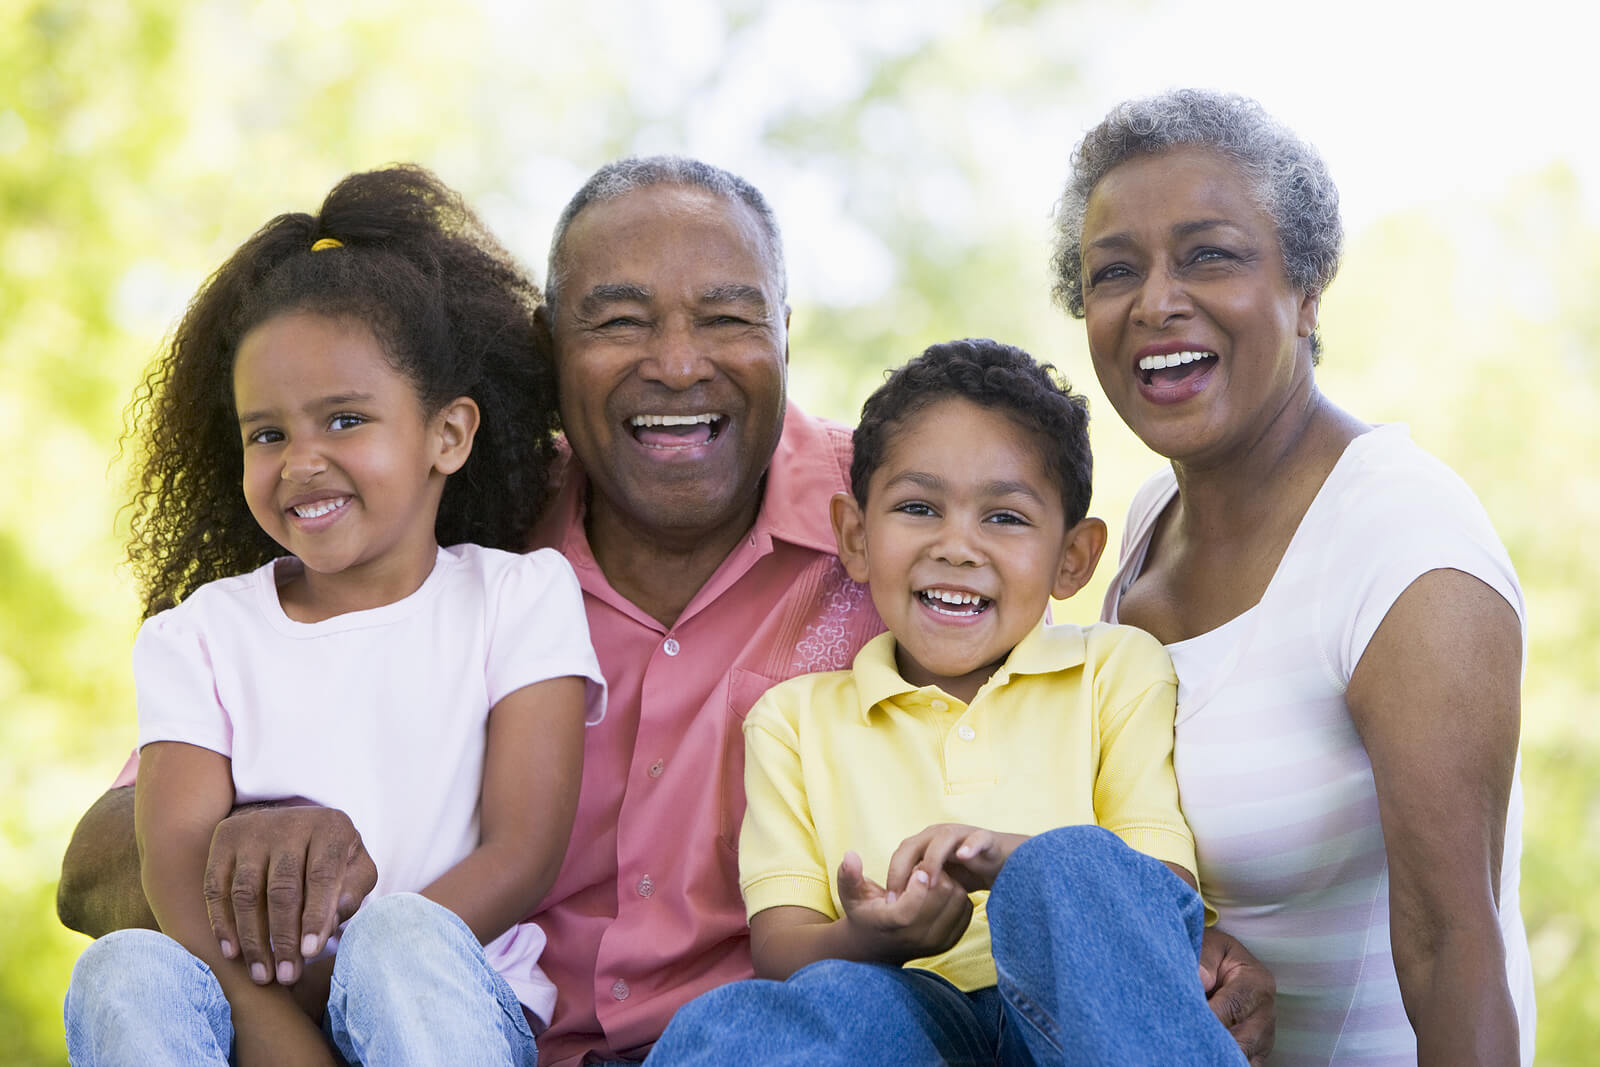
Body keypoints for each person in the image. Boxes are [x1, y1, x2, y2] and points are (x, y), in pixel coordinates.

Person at [56, 156, 1277, 1065]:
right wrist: (262, 825)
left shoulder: (903, 530)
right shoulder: (445, 531)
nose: (680, 361)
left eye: (729, 316)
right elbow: (100, 869)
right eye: (619, 319)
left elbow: (1077, 763)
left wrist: (1164, 964)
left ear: (788, 334)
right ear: (544, 350)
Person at [61, 165, 607, 1067]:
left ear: (448, 435)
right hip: (254, 1016)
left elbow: (522, 852)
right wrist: (280, 1032)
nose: (302, 460)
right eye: (267, 434)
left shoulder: (519, 598)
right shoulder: (195, 637)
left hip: (446, 997)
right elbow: (171, 869)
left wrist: (356, 971)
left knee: (400, 936)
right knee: (124, 969)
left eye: (345, 420)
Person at [1052, 89, 1535, 1065]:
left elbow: (1454, 951)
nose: (1154, 301)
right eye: (1114, 270)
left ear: (1306, 288)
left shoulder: (1401, 539)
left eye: (1208, 254)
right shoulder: (1147, 528)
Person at [648, 338, 1247, 1065]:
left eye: (1005, 518)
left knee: (1073, 866)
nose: (957, 546)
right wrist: (873, 936)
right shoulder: (793, 721)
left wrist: (1006, 860)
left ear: (1073, 558)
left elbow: (1158, 900)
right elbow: (783, 948)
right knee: (741, 1020)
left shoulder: (1114, 669)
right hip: (905, 1017)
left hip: (1086, 1025)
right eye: (919, 507)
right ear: (856, 537)